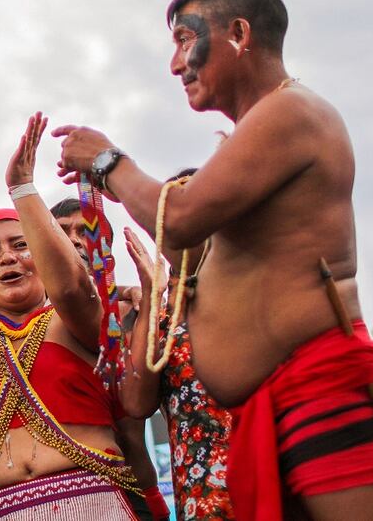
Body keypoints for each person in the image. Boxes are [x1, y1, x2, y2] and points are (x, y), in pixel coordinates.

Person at [53, 0, 373, 518]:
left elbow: (183, 219)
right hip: (278, 406)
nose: (175, 65)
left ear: (239, 35)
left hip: (326, 392)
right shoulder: (262, 132)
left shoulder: (290, 111)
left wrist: (107, 161)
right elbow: (185, 243)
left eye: (186, 40)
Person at [0, 113, 137, 520]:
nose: (7, 258)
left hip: (92, 502)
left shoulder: (77, 322)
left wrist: (23, 188)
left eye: (20, 245)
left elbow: (72, 287)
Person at [117, 178, 235, 520]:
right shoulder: (160, 316)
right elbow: (137, 403)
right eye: (166, 222)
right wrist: (151, 294)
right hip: (205, 496)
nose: (179, 228)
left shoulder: (262, 294)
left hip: (278, 477)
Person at [50, 197, 169, 521]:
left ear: (106, 251)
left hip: (138, 490)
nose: (75, 239)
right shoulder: (30, 321)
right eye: (62, 231)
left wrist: (140, 296)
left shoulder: (136, 311)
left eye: (84, 232)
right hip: (66, 496)